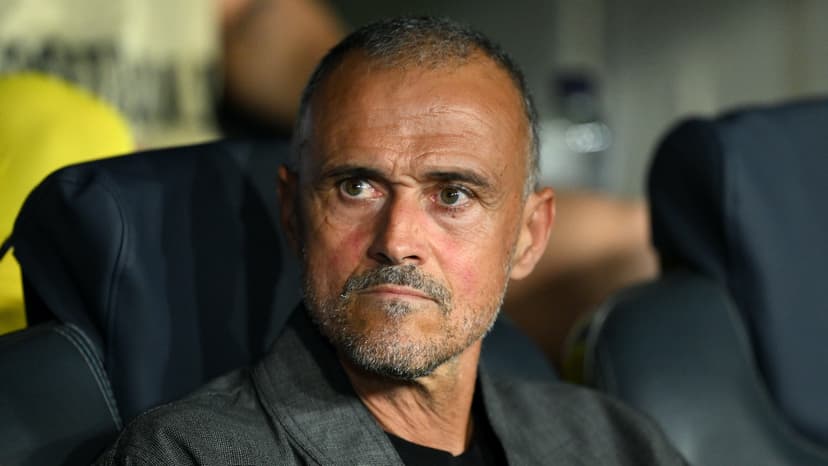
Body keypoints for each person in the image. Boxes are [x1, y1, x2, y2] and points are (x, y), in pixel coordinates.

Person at [97, 17, 686, 465]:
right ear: (293, 213)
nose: (397, 241)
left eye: (452, 195)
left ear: (529, 237)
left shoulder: (614, 442)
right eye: (356, 187)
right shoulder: (189, 455)